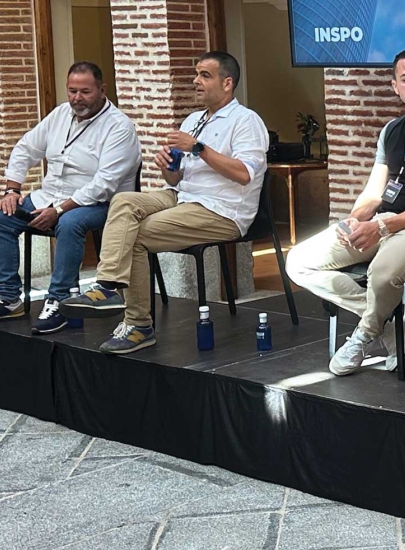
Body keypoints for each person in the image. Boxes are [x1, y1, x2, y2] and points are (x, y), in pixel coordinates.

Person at [59, 51, 268, 354]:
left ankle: (139, 325)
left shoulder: (246, 121)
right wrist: (169, 167)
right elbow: (176, 179)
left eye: (204, 75)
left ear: (227, 83)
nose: (196, 81)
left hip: (222, 210)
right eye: (196, 74)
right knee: (124, 201)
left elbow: (245, 174)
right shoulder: (194, 120)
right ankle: (107, 287)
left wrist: (197, 147)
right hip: (182, 196)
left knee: (137, 235)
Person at [286, 49, 405, 376]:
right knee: (298, 262)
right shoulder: (392, 131)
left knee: (382, 275)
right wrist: (355, 221)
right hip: (382, 223)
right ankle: (386, 320)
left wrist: (383, 227)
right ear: (395, 86)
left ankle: (364, 335)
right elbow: (374, 192)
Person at [0, 62, 140, 334]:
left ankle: (60, 301)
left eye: (85, 91)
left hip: (100, 204)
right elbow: (25, 148)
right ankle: (9, 297)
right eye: (72, 91)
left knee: (69, 224)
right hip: (50, 197)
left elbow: (103, 185)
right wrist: (12, 189)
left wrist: (58, 211)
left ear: (102, 90)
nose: (77, 98)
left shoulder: (119, 127)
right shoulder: (60, 114)